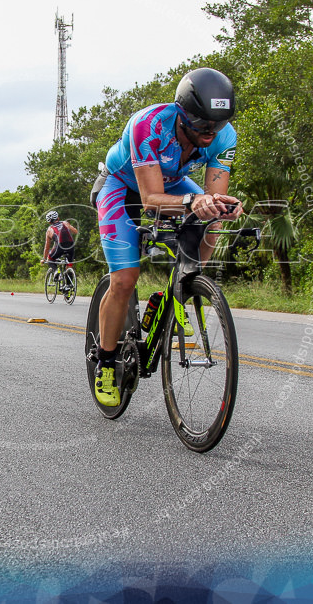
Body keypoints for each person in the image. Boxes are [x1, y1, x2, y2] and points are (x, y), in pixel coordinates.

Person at [93, 67, 243, 407]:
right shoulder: (149, 125)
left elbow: (213, 195)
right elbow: (150, 201)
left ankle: (183, 287)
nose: (211, 132)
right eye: (203, 125)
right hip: (122, 186)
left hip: (171, 183)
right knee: (126, 278)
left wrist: (223, 205)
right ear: (184, 114)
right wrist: (194, 200)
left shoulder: (224, 135)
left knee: (212, 220)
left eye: (216, 125)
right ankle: (105, 361)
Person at [42, 211, 78, 284]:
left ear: (49, 222)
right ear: (58, 218)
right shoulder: (65, 223)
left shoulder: (49, 229)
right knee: (69, 266)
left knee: (50, 259)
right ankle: (68, 288)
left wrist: (44, 259)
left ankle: (56, 271)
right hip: (71, 245)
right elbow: (76, 231)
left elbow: (47, 246)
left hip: (59, 246)